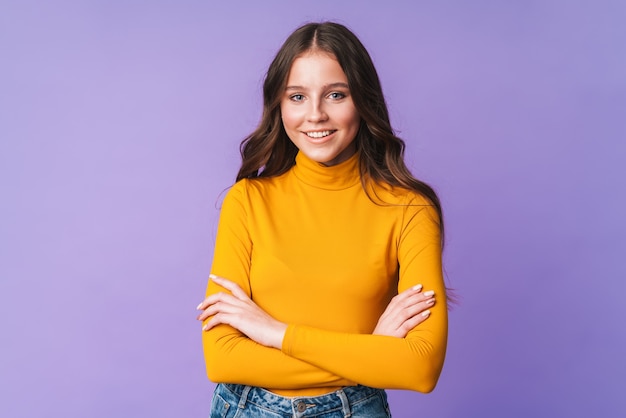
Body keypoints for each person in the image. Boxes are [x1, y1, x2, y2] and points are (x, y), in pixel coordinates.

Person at [196, 21, 448, 417]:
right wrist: (369, 353)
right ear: (279, 106)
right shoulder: (247, 201)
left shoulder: (409, 209)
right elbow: (223, 360)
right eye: (297, 96)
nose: (315, 115)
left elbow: (420, 367)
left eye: (335, 94)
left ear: (362, 101)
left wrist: (274, 333)